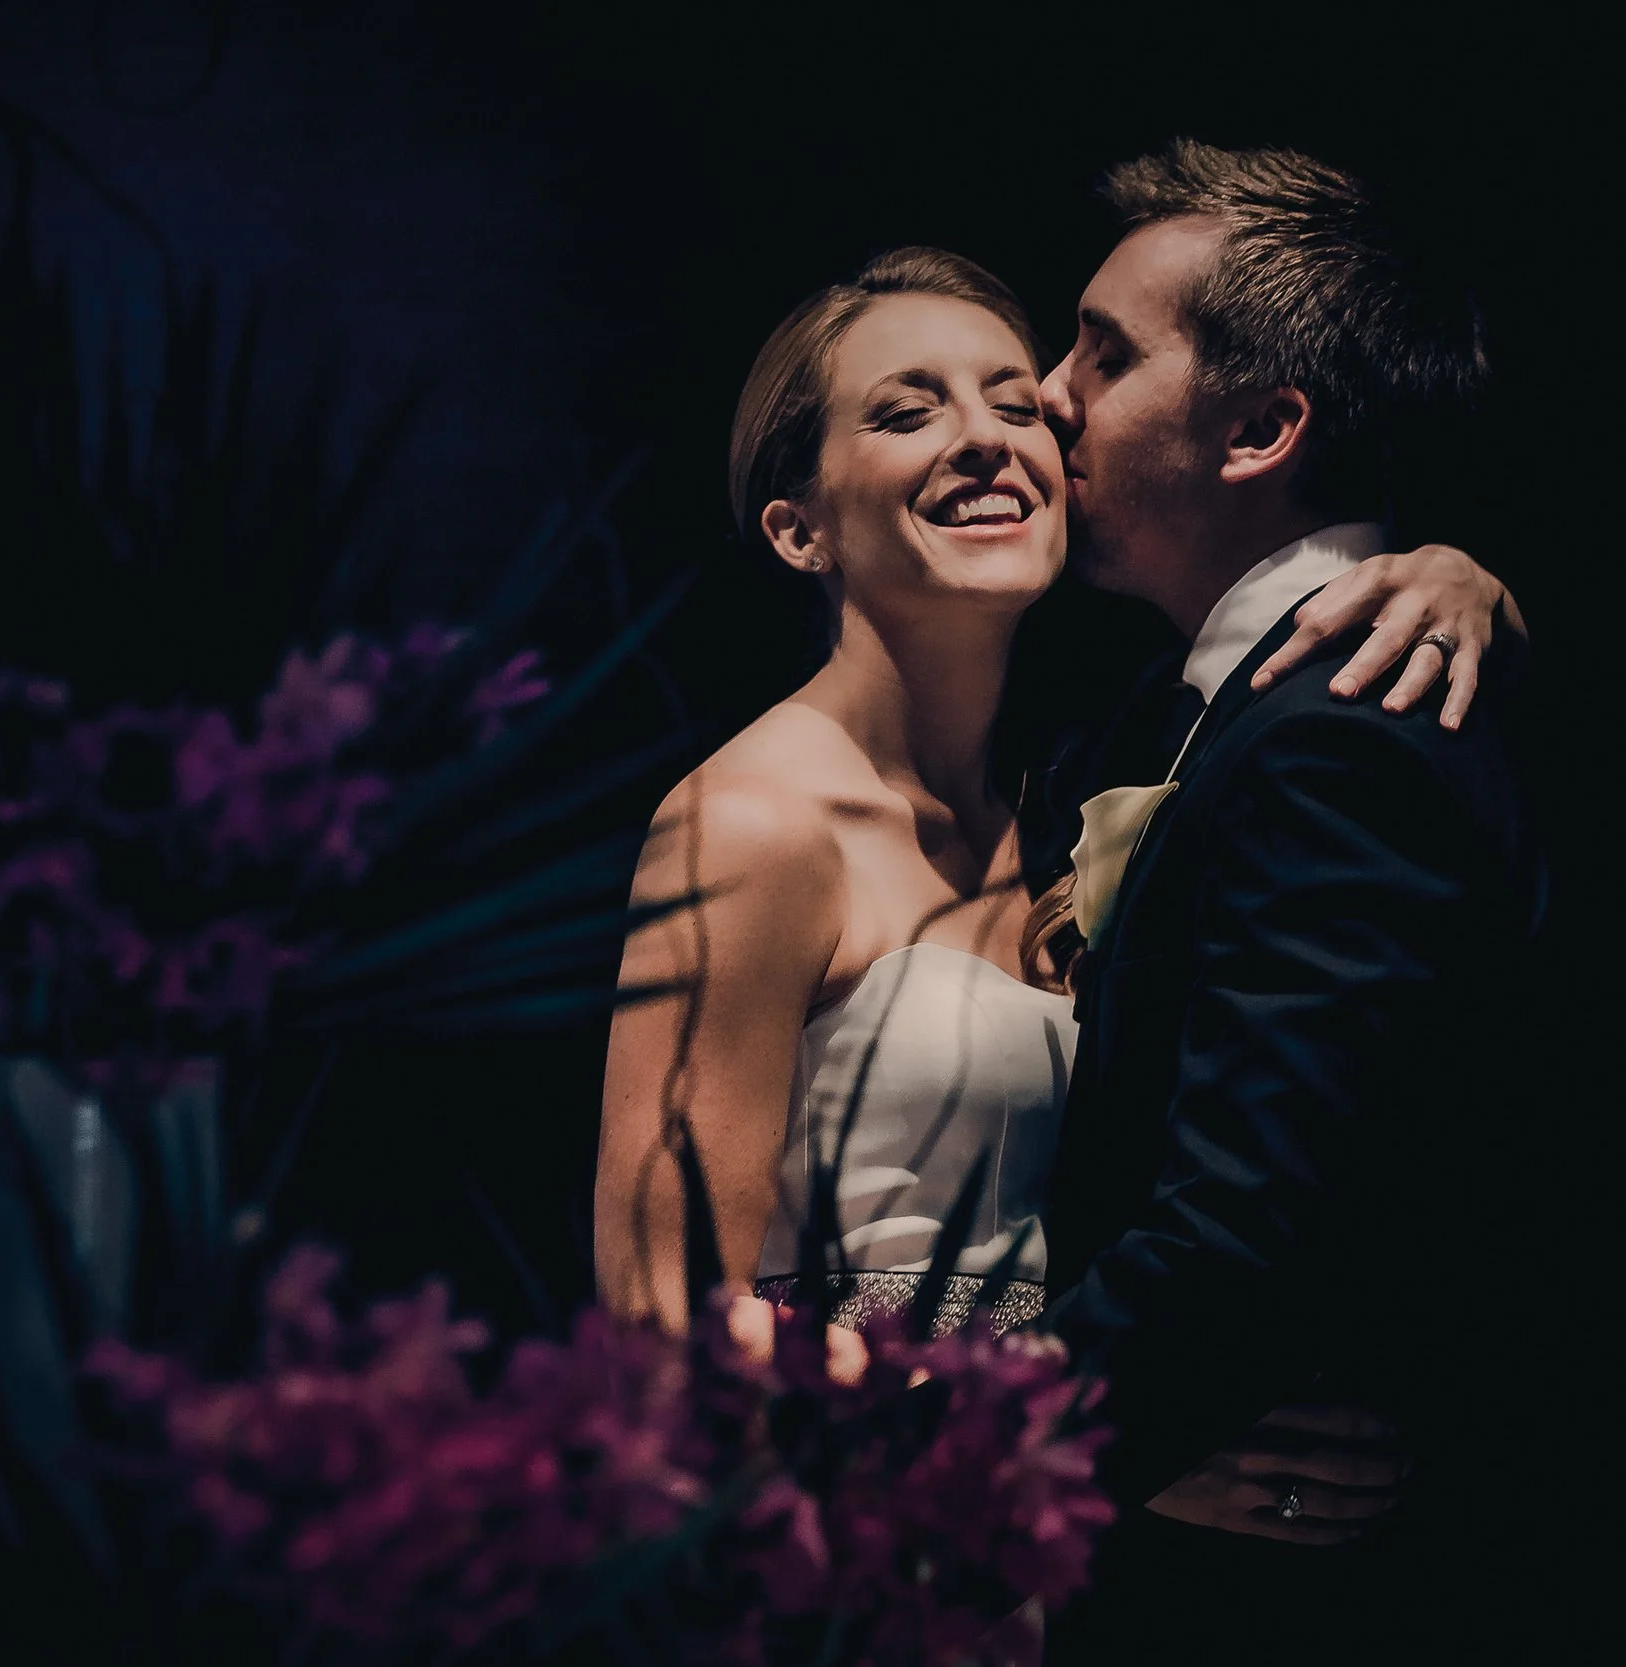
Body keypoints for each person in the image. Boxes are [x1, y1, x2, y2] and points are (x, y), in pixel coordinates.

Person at [592, 239, 1517, 1519]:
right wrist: (1048, 1452)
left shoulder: (1088, 775)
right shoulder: (751, 819)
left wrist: (1459, 577)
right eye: (908, 410)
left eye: (1014, 403)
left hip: (1051, 1529)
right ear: (800, 527)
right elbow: (666, 1315)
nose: (988, 437)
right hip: (857, 1520)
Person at [1026, 141, 1541, 1664]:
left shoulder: (1331, 735)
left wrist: (951, 1475)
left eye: (1104, 354)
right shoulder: (1193, 707)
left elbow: (1240, 1240)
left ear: (1260, 428)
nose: (1049, 393)